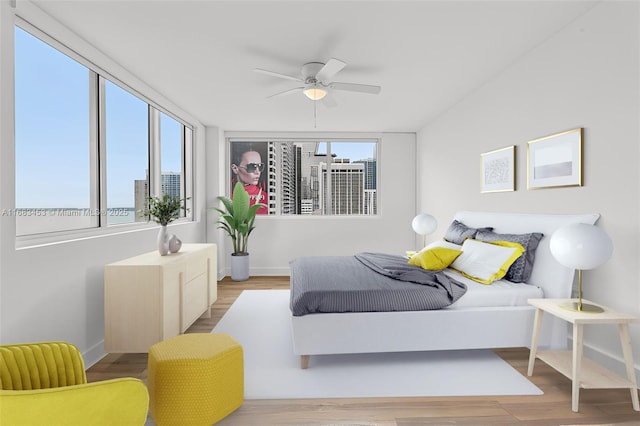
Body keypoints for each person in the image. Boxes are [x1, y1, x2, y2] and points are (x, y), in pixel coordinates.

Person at [231, 143, 268, 214]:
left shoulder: (265, 198)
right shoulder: (227, 193)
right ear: (235, 168)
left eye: (260, 166)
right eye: (252, 167)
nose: (258, 172)